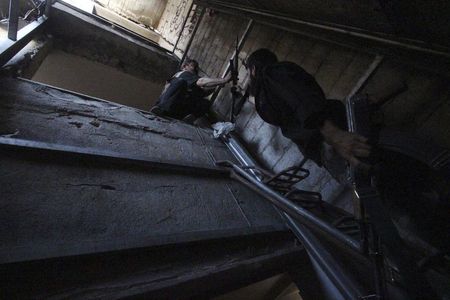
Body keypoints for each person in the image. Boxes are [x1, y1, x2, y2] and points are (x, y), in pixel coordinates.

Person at [244, 48, 371, 168]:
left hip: (333, 137)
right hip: (323, 147)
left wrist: (334, 134)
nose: (248, 78)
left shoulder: (273, 73)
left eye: (248, 72)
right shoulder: (266, 91)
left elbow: (302, 99)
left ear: (253, 69)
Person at [151, 59, 231, 121]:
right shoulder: (183, 74)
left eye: (196, 67)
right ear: (184, 67)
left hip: (178, 111)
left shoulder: (191, 83)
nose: (195, 68)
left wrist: (218, 85)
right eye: (193, 66)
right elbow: (202, 82)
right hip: (167, 107)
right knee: (181, 82)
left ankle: (188, 119)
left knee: (205, 103)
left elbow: (203, 93)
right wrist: (223, 80)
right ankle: (161, 109)